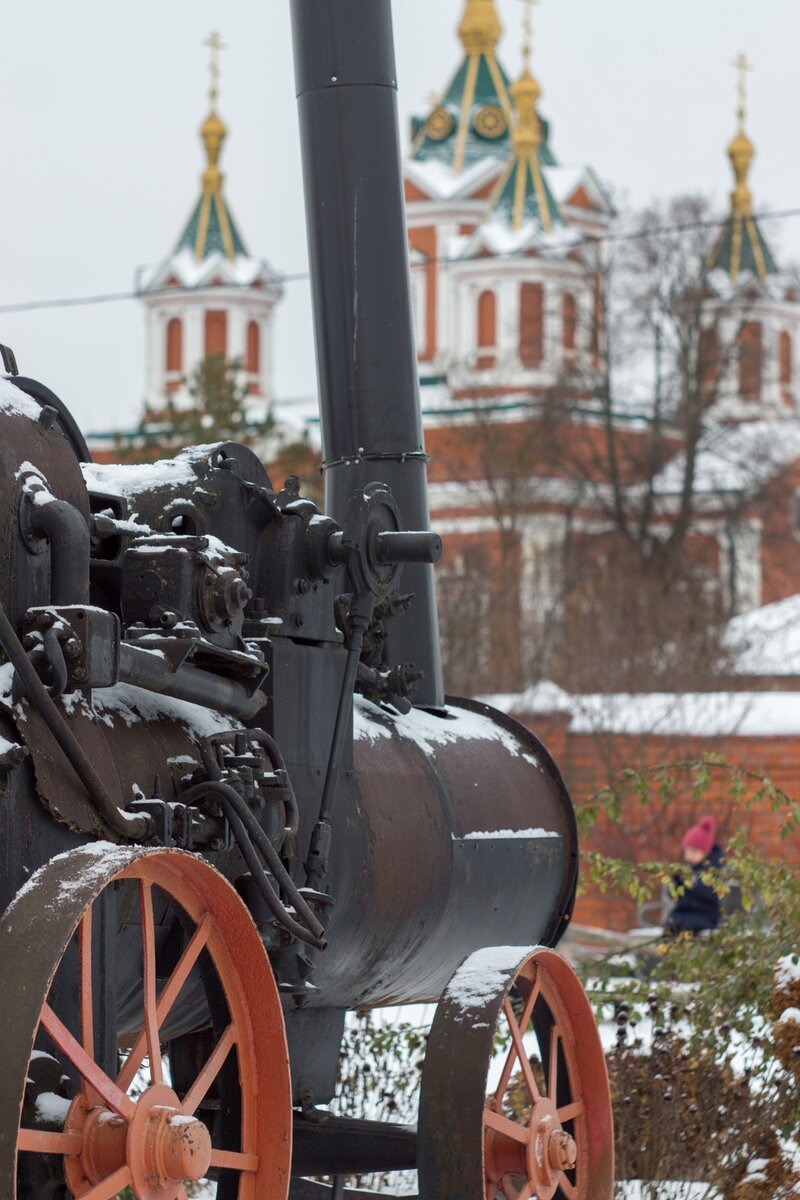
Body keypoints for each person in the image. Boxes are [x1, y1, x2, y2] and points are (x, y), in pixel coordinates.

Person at [664, 816, 723, 935]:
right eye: (688, 851)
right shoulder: (685, 868)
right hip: (682, 913)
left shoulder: (713, 870)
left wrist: (692, 882)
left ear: (705, 853)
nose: (690, 856)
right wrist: (676, 881)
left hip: (705, 915)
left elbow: (710, 894)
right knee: (670, 927)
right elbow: (673, 896)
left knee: (686, 927)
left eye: (695, 852)